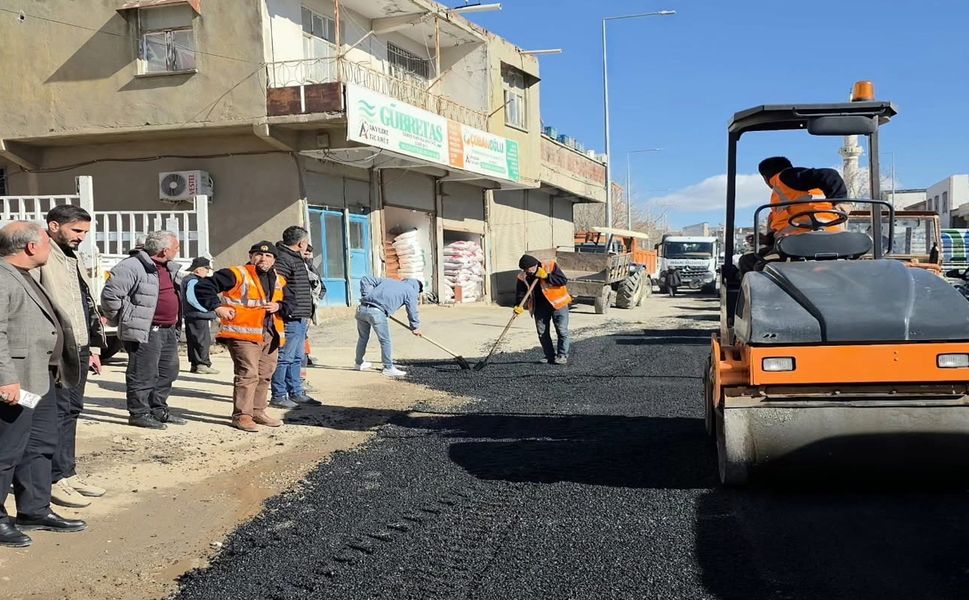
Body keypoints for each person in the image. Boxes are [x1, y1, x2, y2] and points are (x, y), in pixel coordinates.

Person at [0, 221, 86, 548]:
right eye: (46, 243)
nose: (50, 247)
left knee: (40, 444)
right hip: (15, 383)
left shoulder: (25, 276)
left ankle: (35, 509)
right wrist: (5, 378)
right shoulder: (2, 277)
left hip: (41, 378)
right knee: (7, 451)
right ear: (31, 247)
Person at [36, 206, 107, 509]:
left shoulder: (69, 256)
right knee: (57, 413)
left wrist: (91, 347)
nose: (82, 238)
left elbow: (81, 303)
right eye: (77, 231)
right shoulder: (41, 256)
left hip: (78, 347)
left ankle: (68, 472)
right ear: (54, 226)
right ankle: (54, 479)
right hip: (56, 350)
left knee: (73, 410)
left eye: (85, 233)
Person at [194, 242, 292, 432]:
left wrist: (279, 306)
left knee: (264, 375)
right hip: (243, 333)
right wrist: (216, 307)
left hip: (270, 334)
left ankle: (258, 411)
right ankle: (242, 416)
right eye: (259, 255)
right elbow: (204, 286)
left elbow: (291, 302)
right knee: (248, 374)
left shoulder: (280, 280)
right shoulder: (236, 273)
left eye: (268, 256)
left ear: (274, 260)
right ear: (250, 255)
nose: (263, 259)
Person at [101, 230, 185, 430]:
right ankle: (139, 413)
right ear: (164, 250)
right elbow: (110, 296)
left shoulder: (168, 267)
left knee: (168, 371)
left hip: (168, 329)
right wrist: (123, 318)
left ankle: (158, 409)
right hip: (146, 330)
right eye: (176, 247)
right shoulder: (131, 266)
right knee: (143, 373)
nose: (178, 250)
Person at [270, 226, 318, 408]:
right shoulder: (284, 259)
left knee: (298, 357)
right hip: (291, 315)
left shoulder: (296, 259)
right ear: (301, 243)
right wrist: (286, 309)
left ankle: (296, 392)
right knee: (285, 357)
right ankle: (279, 394)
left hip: (301, 315)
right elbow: (278, 286)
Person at [759, 156, 848, 240]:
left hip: (805, 234)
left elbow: (830, 174)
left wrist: (840, 200)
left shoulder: (785, 176)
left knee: (751, 256)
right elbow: (781, 223)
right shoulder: (786, 192)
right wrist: (767, 239)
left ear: (765, 178)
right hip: (835, 232)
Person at [355, 276, 422, 378]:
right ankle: (388, 368)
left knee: (363, 338)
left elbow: (365, 279)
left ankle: (358, 363)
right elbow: (412, 310)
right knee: (385, 340)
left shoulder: (389, 281)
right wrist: (415, 326)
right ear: (417, 288)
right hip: (376, 312)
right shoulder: (411, 291)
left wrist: (367, 296)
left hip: (362, 308)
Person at [515, 254, 572, 365]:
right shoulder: (522, 276)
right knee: (542, 333)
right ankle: (549, 356)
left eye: (530, 268)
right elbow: (521, 293)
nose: (528, 271)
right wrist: (518, 305)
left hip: (558, 305)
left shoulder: (550, 266)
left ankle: (562, 355)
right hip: (539, 306)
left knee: (562, 331)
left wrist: (546, 276)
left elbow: (563, 280)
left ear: (536, 265)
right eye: (525, 269)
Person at [181, 257, 219, 375]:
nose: (207, 272)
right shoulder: (193, 281)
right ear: (199, 269)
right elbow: (192, 299)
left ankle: (195, 364)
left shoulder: (186, 279)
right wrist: (207, 311)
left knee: (193, 340)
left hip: (190, 315)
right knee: (203, 340)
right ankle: (203, 364)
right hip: (198, 315)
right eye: (206, 269)